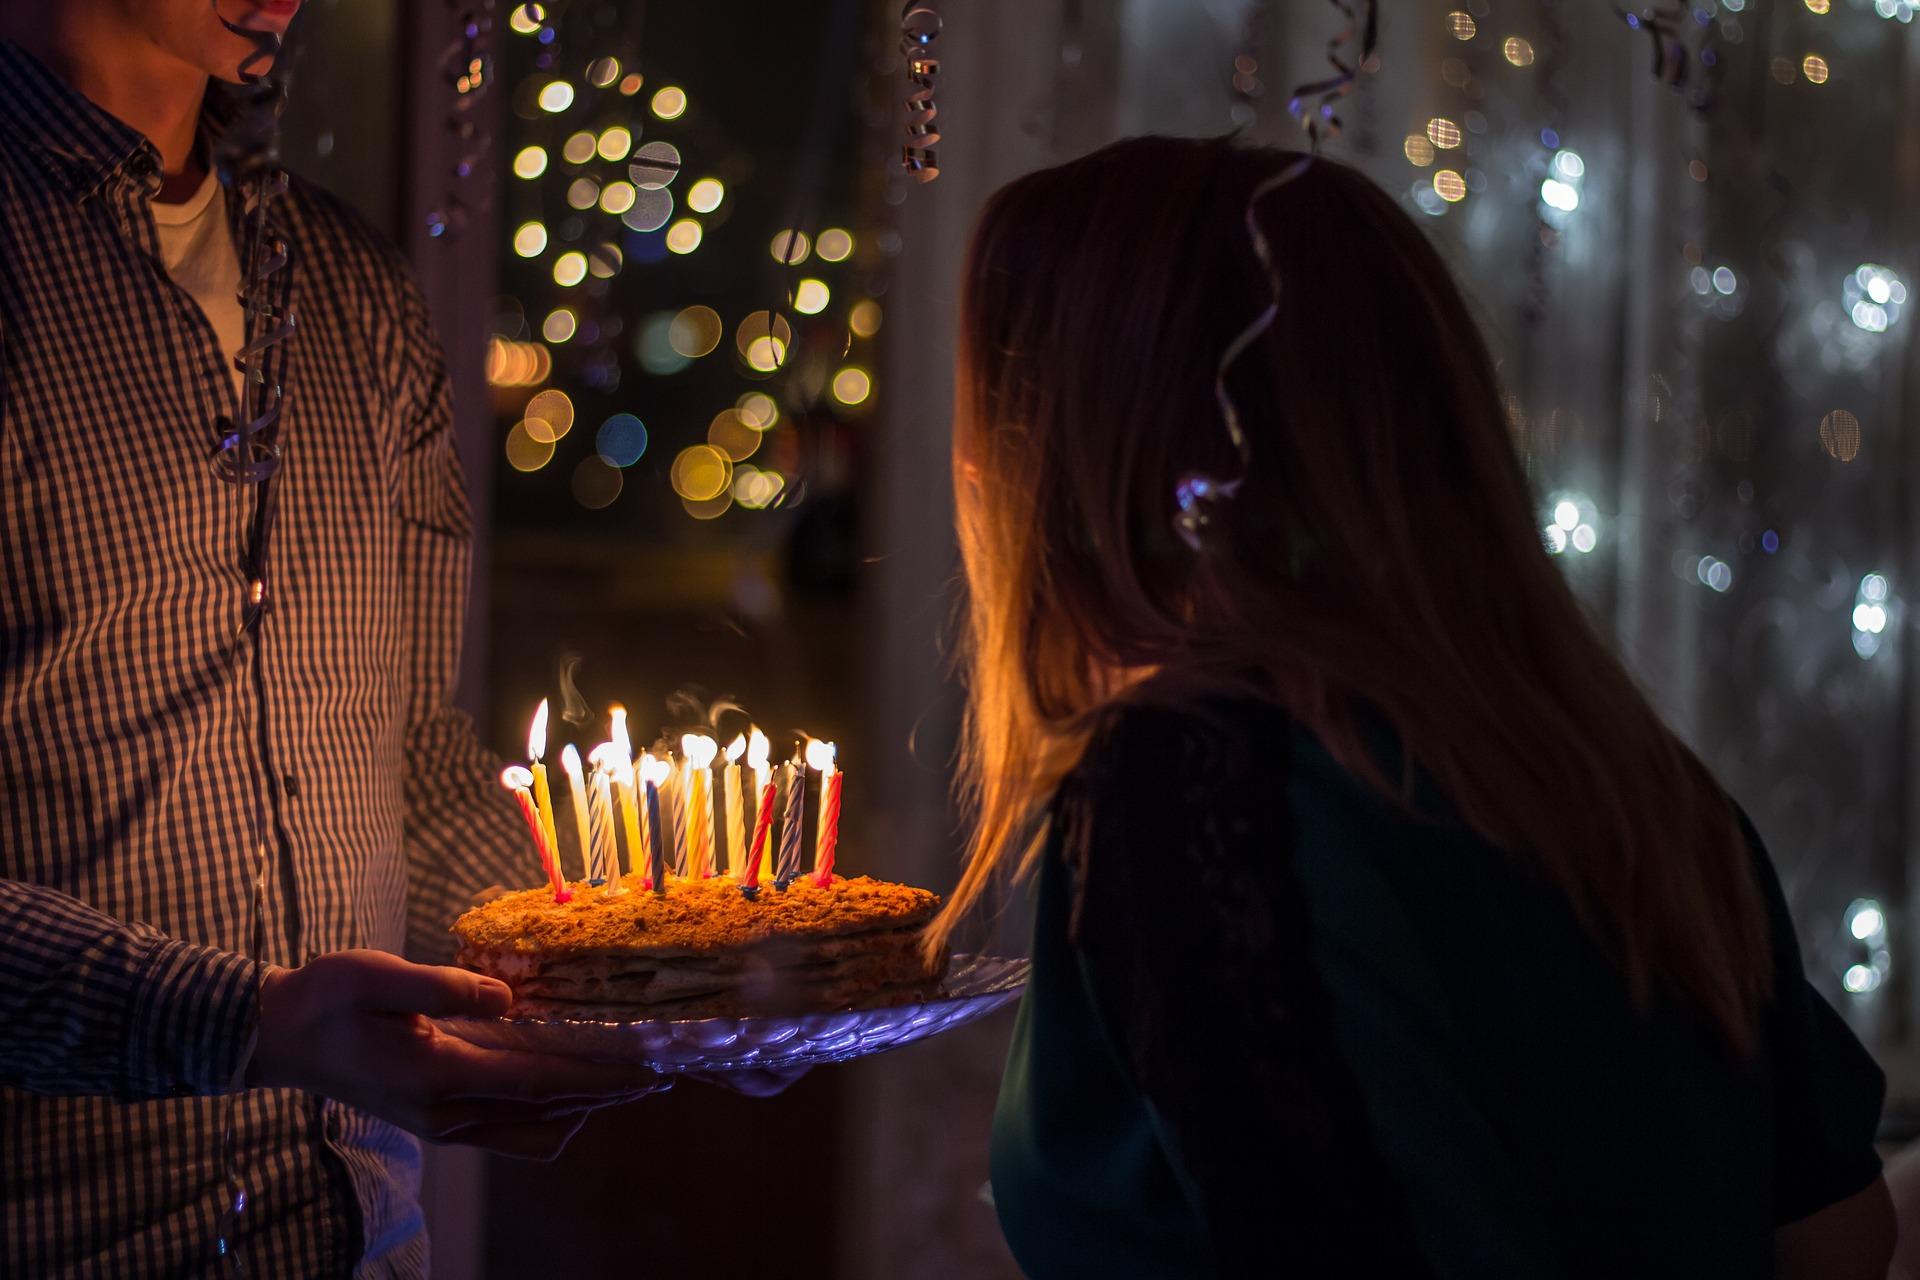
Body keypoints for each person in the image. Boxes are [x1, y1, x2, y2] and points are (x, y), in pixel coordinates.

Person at [922, 135, 1894, 1277]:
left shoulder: (1201, 786)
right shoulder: (1610, 771)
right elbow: (1841, 1228)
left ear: (1086, 448)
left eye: (994, 404)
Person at [0, 4, 666, 1275]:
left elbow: (407, 757)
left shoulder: (347, 285)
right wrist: (247, 1023)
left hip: (359, 1233)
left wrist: (630, 974)